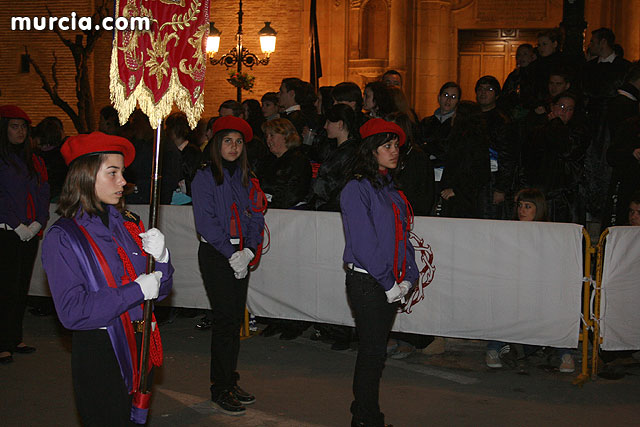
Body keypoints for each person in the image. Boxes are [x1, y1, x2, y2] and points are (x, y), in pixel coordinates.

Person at [41, 131, 174, 424]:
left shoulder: (129, 225)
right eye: (112, 172)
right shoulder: (64, 238)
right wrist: (135, 290)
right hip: (102, 351)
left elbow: (159, 292)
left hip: (140, 342)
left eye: (122, 173)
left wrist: (163, 261)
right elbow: (73, 312)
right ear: (85, 176)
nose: (123, 182)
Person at [340, 118, 418, 427]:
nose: (394, 151)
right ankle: (365, 418)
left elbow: (403, 235)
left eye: (396, 145)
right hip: (368, 282)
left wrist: (409, 274)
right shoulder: (356, 188)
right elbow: (363, 243)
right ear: (372, 151)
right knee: (372, 355)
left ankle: (365, 412)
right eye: (387, 146)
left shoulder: (389, 187)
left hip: (389, 281)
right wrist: (388, 282)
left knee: (375, 354)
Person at [191, 116, 265, 416]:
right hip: (217, 255)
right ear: (215, 144)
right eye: (227, 141)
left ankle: (229, 380)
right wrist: (230, 253)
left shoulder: (247, 176)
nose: (233, 147)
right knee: (224, 322)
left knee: (234, 321)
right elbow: (206, 222)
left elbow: (256, 214)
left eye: (238, 142)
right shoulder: (205, 177)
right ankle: (219, 387)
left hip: (240, 253)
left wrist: (248, 250)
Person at [0, 105, 50, 365]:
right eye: (14, 126)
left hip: (29, 232)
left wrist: (38, 222)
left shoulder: (35, 159)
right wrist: (15, 224)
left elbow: (43, 192)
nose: (20, 132)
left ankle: (14, 337)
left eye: (23, 127)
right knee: (5, 289)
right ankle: (2, 342)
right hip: (6, 232)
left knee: (20, 288)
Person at [261, 118, 312, 209]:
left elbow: (293, 194)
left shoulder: (298, 161)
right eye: (266, 136)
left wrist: (270, 206)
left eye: (272, 135)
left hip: (287, 213)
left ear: (286, 136)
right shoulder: (267, 160)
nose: (268, 140)